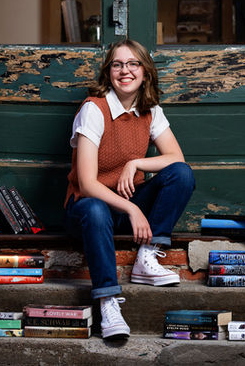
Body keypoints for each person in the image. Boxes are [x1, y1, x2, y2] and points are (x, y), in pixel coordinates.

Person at [64, 39, 195, 340]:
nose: (125, 71)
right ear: (108, 72)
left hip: (123, 205)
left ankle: (147, 256)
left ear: (145, 72)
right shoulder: (94, 109)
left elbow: (176, 159)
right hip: (86, 209)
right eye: (118, 64)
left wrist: (136, 163)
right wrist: (133, 208)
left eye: (133, 63)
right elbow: (86, 184)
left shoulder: (150, 111)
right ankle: (108, 301)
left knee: (181, 174)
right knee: (95, 208)